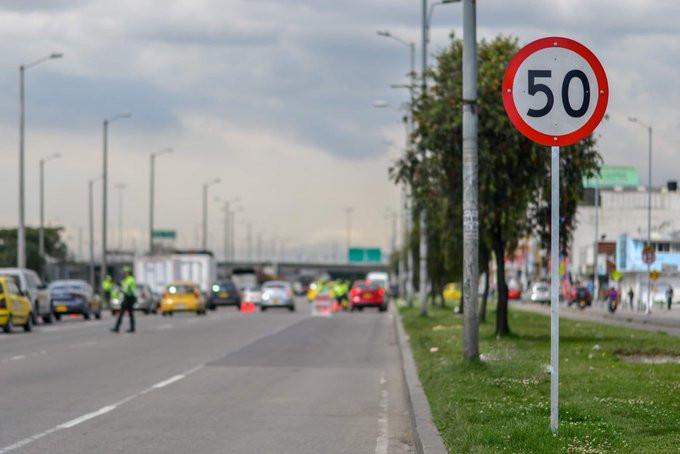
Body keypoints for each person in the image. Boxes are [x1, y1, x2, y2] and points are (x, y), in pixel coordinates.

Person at [111, 267, 136, 333]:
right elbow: (123, 286)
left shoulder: (131, 279)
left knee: (126, 313)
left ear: (128, 273)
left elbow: (130, 289)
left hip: (129, 297)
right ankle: (131, 328)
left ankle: (118, 327)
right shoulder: (126, 279)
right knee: (127, 313)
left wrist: (124, 289)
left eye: (126, 272)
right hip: (126, 297)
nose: (125, 273)